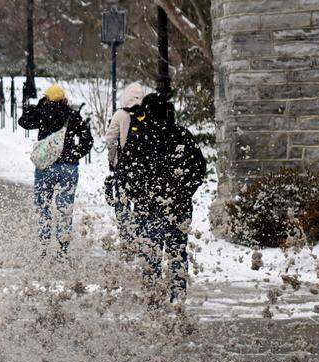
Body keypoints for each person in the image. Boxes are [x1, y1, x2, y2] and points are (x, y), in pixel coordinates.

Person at [116, 92, 206, 303]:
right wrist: (184, 191)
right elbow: (198, 168)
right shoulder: (182, 135)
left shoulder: (138, 137)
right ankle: (178, 296)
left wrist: (137, 195)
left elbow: (126, 172)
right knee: (177, 251)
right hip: (178, 205)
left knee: (151, 253)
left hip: (148, 206)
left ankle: (153, 295)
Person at [18, 84, 94, 256]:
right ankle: (62, 245)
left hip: (46, 165)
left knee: (42, 204)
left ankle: (44, 242)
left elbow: (23, 121)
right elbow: (87, 138)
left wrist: (38, 106)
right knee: (65, 205)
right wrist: (75, 154)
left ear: (47, 98)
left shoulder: (42, 113)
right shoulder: (72, 115)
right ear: (63, 99)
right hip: (68, 166)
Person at [104, 82, 147, 244]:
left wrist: (113, 161)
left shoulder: (120, 115)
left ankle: (126, 236)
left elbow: (110, 140)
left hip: (124, 166)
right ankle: (140, 234)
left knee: (123, 201)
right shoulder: (145, 114)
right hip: (142, 168)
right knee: (141, 201)